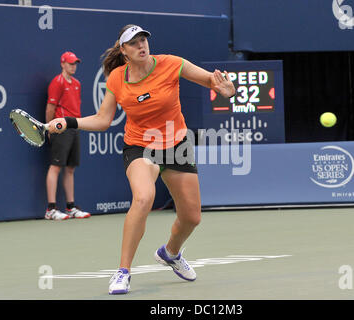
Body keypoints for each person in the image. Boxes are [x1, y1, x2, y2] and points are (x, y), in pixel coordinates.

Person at [48, 25, 235, 294]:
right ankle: (123, 271)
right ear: (123, 51)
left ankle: (170, 253)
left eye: (143, 40)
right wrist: (68, 121)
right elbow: (103, 119)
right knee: (143, 198)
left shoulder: (171, 64)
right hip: (140, 146)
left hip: (175, 144)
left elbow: (211, 81)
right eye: (133, 43)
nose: (141, 45)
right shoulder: (116, 78)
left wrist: (225, 90)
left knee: (192, 217)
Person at [44, 51, 91, 220]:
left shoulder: (77, 83)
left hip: (74, 127)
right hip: (60, 128)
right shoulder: (57, 82)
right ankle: (51, 209)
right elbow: (50, 108)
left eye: (75, 63)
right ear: (62, 64)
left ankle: (70, 206)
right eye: (70, 63)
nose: (73, 66)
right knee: (55, 167)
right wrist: (49, 128)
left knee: (70, 168)